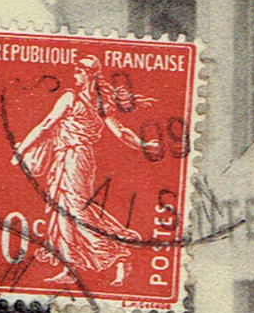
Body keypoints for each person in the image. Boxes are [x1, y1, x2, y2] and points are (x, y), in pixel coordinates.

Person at [14, 54, 162, 286]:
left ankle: (119, 251)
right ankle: (70, 266)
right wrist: (144, 145)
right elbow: (121, 132)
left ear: (86, 74)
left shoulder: (71, 98)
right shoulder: (99, 104)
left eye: (78, 71)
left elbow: (46, 125)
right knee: (63, 208)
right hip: (68, 157)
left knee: (75, 209)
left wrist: (22, 148)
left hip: (75, 157)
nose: (75, 75)